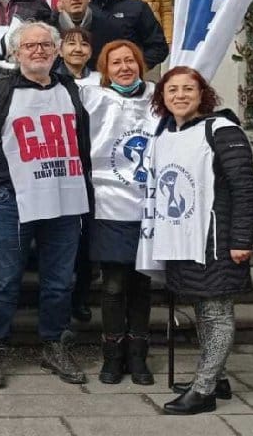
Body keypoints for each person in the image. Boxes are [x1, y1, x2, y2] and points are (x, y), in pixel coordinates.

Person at [0, 22, 93, 389]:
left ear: (57, 51)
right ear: (16, 53)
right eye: (30, 46)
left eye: (45, 45)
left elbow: (83, 145)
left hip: (65, 199)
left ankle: (53, 342)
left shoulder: (71, 89)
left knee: (60, 281)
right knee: (4, 279)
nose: (38, 51)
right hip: (9, 198)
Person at [150, 66, 253, 415]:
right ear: (162, 97)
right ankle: (218, 378)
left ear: (203, 94)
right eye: (172, 90)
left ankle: (203, 390)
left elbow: (245, 189)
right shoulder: (168, 132)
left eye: (188, 89)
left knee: (216, 312)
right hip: (186, 239)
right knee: (203, 308)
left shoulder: (223, 131)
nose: (180, 95)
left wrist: (241, 239)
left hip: (218, 239)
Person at [81, 40, 155, 387]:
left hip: (150, 204)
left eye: (130, 61)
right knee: (113, 284)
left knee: (141, 282)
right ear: (105, 70)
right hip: (110, 202)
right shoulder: (92, 95)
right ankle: (112, 354)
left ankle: (138, 354)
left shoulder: (157, 96)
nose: (124, 67)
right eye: (116, 63)